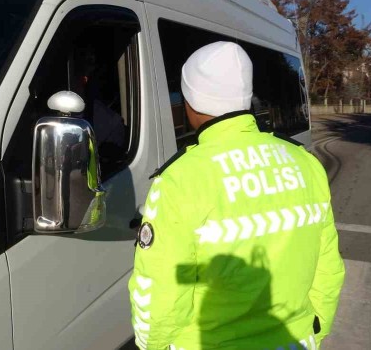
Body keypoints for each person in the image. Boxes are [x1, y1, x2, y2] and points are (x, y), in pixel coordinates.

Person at [128, 42, 345, 350]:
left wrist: (152, 346)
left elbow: (160, 289)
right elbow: (328, 268)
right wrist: (315, 330)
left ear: (191, 102)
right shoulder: (305, 162)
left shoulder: (181, 178)